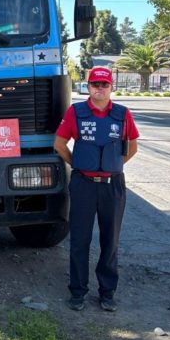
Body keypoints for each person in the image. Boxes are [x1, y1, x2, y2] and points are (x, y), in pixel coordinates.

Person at [54, 66, 139, 312]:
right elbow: (59, 144)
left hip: (113, 187)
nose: (99, 89)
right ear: (88, 86)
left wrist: (111, 167)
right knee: (79, 240)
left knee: (110, 241)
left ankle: (107, 292)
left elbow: (132, 147)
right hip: (83, 185)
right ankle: (78, 291)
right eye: (95, 85)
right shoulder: (76, 113)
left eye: (104, 85)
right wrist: (80, 166)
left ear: (111, 87)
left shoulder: (123, 115)